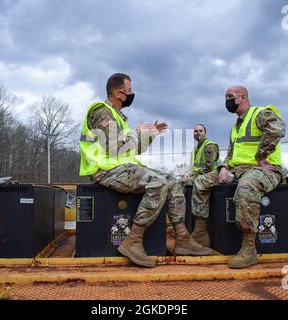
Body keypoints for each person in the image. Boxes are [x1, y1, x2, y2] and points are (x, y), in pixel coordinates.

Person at [79, 73, 214, 268]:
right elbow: (115, 148)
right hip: (105, 170)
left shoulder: (118, 117)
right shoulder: (101, 112)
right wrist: (138, 132)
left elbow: (131, 149)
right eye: (130, 90)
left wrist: (150, 135)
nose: (132, 94)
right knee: (157, 182)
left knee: (171, 181)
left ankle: (183, 238)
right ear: (119, 93)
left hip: (122, 168)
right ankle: (133, 241)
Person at [191, 85, 285, 268]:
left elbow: (278, 129)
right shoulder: (235, 128)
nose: (226, 100)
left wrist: (261, 155)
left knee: (246, 186)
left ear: (242, 97)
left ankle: (249, 249)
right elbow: (231, 154)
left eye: (229, 96)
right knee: (201, 182)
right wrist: (225, 167)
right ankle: (201, 235)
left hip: (266, 170)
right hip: (239, 170)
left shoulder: (260, 113)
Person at [181, 124, 220, 247]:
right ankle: (182, 225)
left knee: (193, 183)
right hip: (199, 176)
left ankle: (200, 232)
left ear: (205, 133)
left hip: (213, 176)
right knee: (179, 185)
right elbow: (195, 168)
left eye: (200, 131)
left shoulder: (209, 146)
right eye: (195, 131)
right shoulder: (195, 149)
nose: (198, 133)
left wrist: (192, 176)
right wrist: (187, 175)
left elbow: (208, 167)